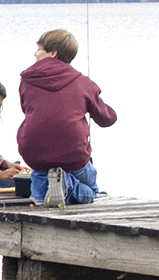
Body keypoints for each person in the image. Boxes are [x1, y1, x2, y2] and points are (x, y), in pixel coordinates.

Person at [16, 28, 117, 205]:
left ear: (53, 53)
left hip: (35, 154)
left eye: (39, 49)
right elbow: (106, 119)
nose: (35, 53)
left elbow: (28, 110)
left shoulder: (27, 80)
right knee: (92, 191)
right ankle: (66, 184)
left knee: (39, 193)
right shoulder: (82, 82)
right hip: (73, 156)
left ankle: (48, 191)